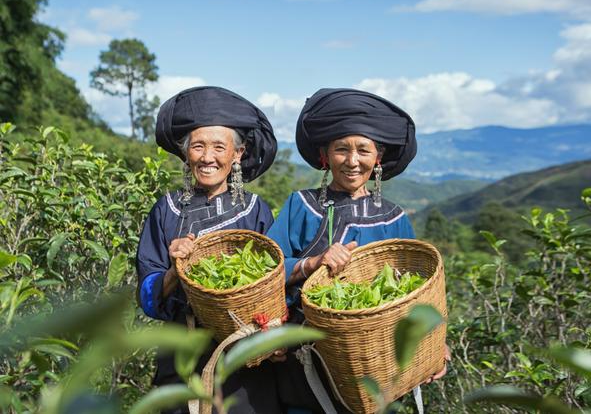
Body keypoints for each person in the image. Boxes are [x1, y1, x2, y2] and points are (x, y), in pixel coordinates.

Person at [267, 88, 449, 413]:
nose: (352, 161)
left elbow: (419, 293)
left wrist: (436, 343)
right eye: (341, 149)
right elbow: (267, 273)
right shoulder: (301, 206)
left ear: (377, 157)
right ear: (325, 154)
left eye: (363, 150)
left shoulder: (394, 218)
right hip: (306, 360)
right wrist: (312, 264)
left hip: (378, 364)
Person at [136, 86, 281, 413]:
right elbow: (146, 295)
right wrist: (175, 271)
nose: (208, 157)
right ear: (186, 153)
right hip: (182, 357)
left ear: (238, 154)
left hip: (245, 361)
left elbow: (274, 285)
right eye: (198, 146)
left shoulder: (256, 211)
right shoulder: (166, 211)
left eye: (219, 146)